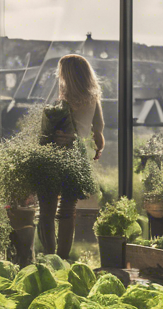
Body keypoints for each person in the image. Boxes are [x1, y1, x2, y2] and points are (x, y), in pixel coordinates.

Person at [38, 54, 105, 259]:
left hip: (54, 160)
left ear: (67, 76)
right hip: (77, 159)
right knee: (67, 211)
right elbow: (99, 131)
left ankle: (50, 258)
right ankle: (63, 260)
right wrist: (95, 149)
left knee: (47, 212)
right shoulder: (93, 99)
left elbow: (47, 137)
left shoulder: (62, 103)